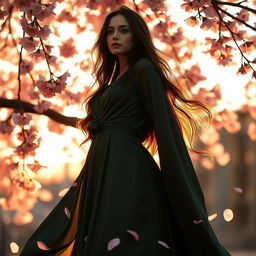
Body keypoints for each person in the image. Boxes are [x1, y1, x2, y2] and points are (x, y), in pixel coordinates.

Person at [20, 5, 232, 256]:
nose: (115, 36)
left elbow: (166, 129)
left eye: (123, 30)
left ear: (137, 35)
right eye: (110, 31)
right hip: (100, 169)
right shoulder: (112, 82)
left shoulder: (144, 70)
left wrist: (179, 183)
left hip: (128, 169)